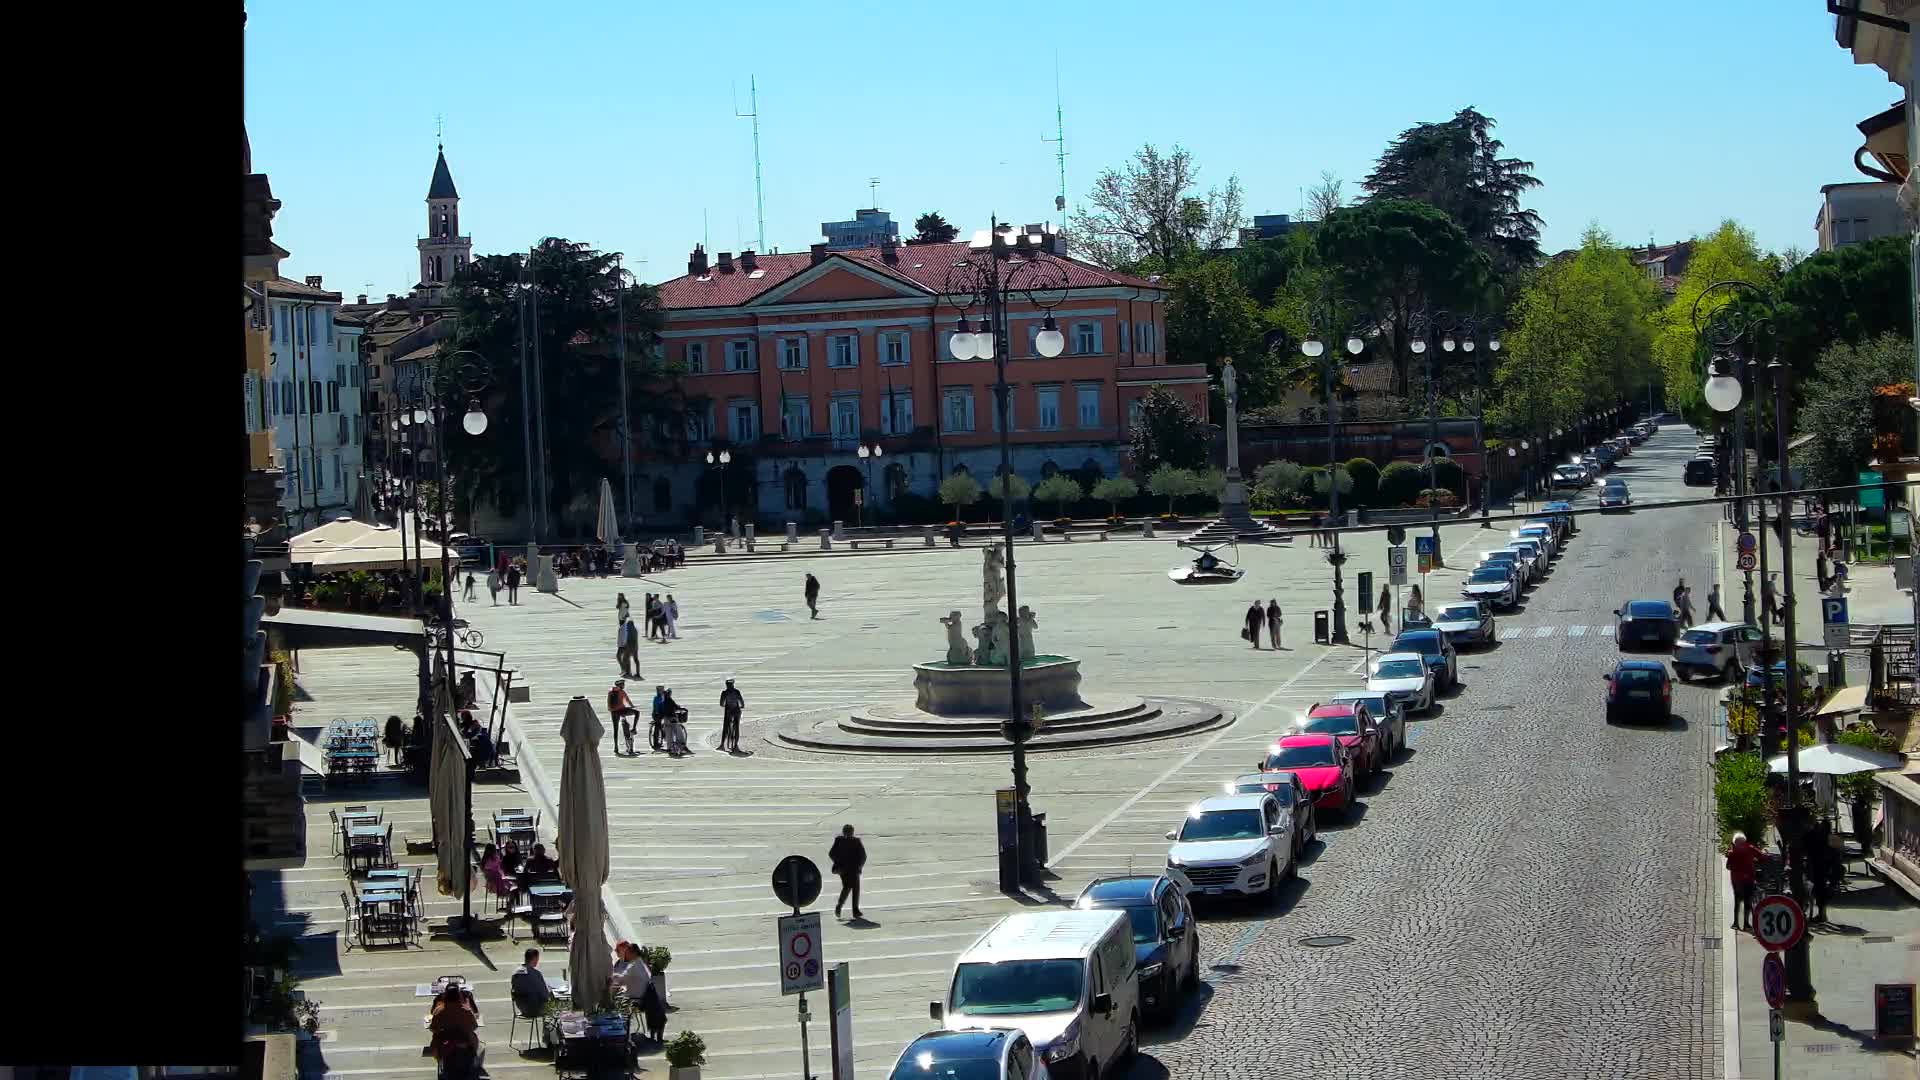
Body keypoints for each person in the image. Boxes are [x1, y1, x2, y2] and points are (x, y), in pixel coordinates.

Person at [428, 984, 484, 1079]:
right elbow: (474, 1026)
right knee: (478, 1044)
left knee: (435, 1042)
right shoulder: (466, 1010)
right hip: (466, 1041)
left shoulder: (439, 1010)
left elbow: (433, 1028)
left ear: (445, 996)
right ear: (459, 996)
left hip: (445, 1042)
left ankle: (440, 1061)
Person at [509, 948, 554, 1049]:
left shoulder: (515, 973)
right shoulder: (535, 974)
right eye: (537, 958)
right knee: (554, 1009)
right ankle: (549, 1040)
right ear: (534, 958)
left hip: (521, 1007)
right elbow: (545, 995)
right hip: (534, 1008)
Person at [829, 823, 866, 920]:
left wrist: (858, 866)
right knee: (850, 888)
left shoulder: (845, 840)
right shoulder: (843, 840)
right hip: (847, 870)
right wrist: (839, 862)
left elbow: (862, 856)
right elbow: (831, 853)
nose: (849, 834)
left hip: (849, 870)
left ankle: (852, 909)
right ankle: (845, 908)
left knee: (851, 888)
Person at [1725, 832, 1761, 930]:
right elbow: (1762, 856)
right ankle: (1746, 924)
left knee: (1737, 900)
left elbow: (1728, 867)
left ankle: (1736, 923)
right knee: (1747, 901)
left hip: (1736, 880)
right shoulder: (1750, 848)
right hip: (1749, 879)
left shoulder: (1732, 853)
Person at [608, 679, 640, 755]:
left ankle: (616, 747)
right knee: (637, 713)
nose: (624, 686)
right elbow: (627, 700)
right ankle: (634, 728)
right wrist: (632, 706)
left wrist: (611, 709)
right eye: (623, 685)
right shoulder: (622, 692)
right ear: (620, 685)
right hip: (622, 710)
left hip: (614, 712)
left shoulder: (610, 692)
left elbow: (608, 703)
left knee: (615, 729)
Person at [719, 678, 745, 753]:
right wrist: (742, 706)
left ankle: (722, 745)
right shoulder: (737, 692)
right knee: (736, 727)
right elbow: (741, 702)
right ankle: (736, 746)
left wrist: (725, 704)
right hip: (736, 711)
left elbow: (721, 704)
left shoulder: (724, 693)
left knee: (726, 727)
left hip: (728, 711)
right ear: (733, 685)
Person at [650, 685, 669, 752]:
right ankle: (655, 743)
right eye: (660, 690)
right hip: (656, 714)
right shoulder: (656, 698)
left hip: (662, 713)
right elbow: (656, 707)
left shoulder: (663, 696)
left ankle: (664, 733)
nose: (661, 691)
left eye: (662, 690)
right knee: (657, 727)